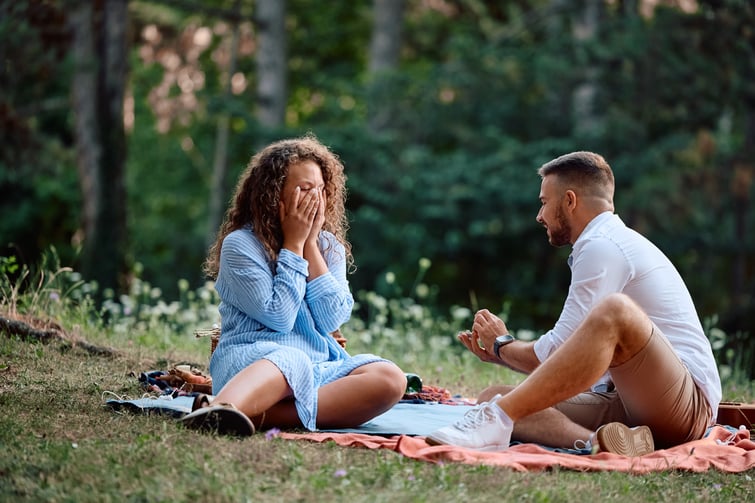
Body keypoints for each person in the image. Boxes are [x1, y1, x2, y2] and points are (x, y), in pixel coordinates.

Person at [427, 151, 721, 455]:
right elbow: (570, 366)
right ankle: (603, 444)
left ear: (569, 200)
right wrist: (501, 355)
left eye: (543, 202)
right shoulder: (603, 243)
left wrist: (503, 344)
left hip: (683, 408)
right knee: (493, 395)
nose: (539, 216)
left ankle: (496, 420)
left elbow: (555, 351)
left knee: (615, 312)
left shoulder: (603, 245)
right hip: (631, 405)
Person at [181, 135, 406, 435]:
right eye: (304, 189)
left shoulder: (329, 247)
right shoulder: (240, 245)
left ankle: (250, 416)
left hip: (316, 366)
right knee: (290, 357)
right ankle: (225, 406)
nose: (315, 199)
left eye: (320, 190)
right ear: (273, 195)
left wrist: (310, 245)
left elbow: (332, 319)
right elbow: (279, 318)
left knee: (390, 378)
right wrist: (294, 245)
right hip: (254, 362)